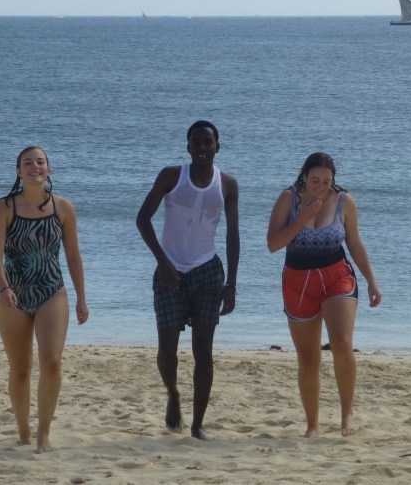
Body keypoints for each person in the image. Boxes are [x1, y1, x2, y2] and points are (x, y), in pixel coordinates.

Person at [136, 120, 240, 441]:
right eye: (196, 142)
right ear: (188, 147)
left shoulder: (227, 185)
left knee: (203, 352)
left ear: (217, 147)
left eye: (208, 142)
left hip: (208, 272)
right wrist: (163, 261)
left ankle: (197, 425)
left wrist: (231, 284)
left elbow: (233, 235)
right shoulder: (171, 176)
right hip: (170, 272)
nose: (202, 147)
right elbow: (142, 219)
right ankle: (173, 395)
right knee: (167, 352)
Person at [267, 152, 381, 438]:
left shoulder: (344, 201)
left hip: (336, 276)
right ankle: (313, 426)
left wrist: (371, 281)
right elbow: (273, 244)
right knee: (309, 359)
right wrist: (303, 218)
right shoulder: (288, 199)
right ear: (304, 176)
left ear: (333, 180)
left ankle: (347, 415)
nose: (320, 186)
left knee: (342, 344)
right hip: (298, 281)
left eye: (326, 181)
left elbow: (354, 242)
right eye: (315, 180)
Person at [0, 146, 89, 453]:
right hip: (13, 295)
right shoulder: (5, 207)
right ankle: (24, 434)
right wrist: (4, 288)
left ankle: (44, 434)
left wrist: (81, 298)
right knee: (20, 368)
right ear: (19, 172)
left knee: (52, 362)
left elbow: (73, 256)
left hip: (51, 291)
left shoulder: (63, 208)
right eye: (28, 163)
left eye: (40, 162)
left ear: (48, 169)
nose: (35, 166)